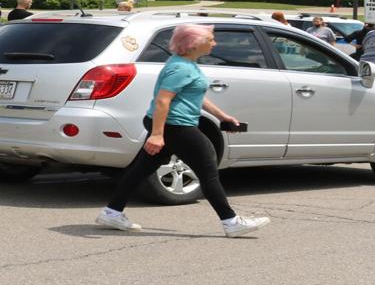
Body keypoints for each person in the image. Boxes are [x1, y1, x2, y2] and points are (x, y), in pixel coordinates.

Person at [95, 24, 268, 238]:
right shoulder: (180, 68)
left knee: (141, 170)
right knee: (208, 171)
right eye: (210, 39)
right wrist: (157, 135)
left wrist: (223, 116)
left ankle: (112, 212)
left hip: (172, 125)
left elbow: (195, 96)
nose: (214, 43)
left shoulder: (186, 64)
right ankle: (231, 222)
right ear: (193, 44)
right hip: (176, 127)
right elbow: (162, 101)